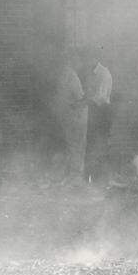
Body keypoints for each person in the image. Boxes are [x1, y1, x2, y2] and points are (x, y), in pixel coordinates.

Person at [55, 50, 88, 183]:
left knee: (70, 145)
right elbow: (79, 97)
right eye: (77, 60)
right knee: (78, 146)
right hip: (76, 117)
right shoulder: (72, 76)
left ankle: (70, 174)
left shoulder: (62, 75)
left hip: (66, 116)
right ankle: (76, 176)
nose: (79, 63)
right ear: (72, 61)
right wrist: (87, 96)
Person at [80, 53, 113, 184]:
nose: (85, 61)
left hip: (101, 112)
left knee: (100, 144)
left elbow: (100, 97)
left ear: (94, 58)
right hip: (92, 111)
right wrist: (82, 100)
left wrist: (82, 103)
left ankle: (100, 178)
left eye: (87, 58)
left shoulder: (104, 74)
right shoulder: (90, 72)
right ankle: (88, 177)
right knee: (90, 144)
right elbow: (88, 93)